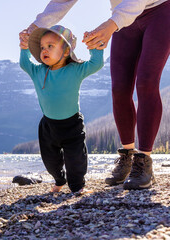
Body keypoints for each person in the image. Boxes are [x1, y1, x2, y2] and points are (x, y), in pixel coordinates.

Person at [20, 0, 170, 190]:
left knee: (146, 82)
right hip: (123, 19)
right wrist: (35, 27)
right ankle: (127, 157)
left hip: (159, 11)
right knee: (119, 89)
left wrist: (111, 24)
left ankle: (144, 162)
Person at [19, 25, 104, 193]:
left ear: (65, 52)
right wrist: (24, 48)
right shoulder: (38, 71)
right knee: (50, 161)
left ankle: (78, 187)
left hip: (72, 125)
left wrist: (95, 48)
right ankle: (59, 180)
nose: (44, 50)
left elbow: (96, 64)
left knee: (76, 159)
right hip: (48, 126)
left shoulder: (75, 69)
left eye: (50, 46)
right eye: (42, 47)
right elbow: (24, 63)